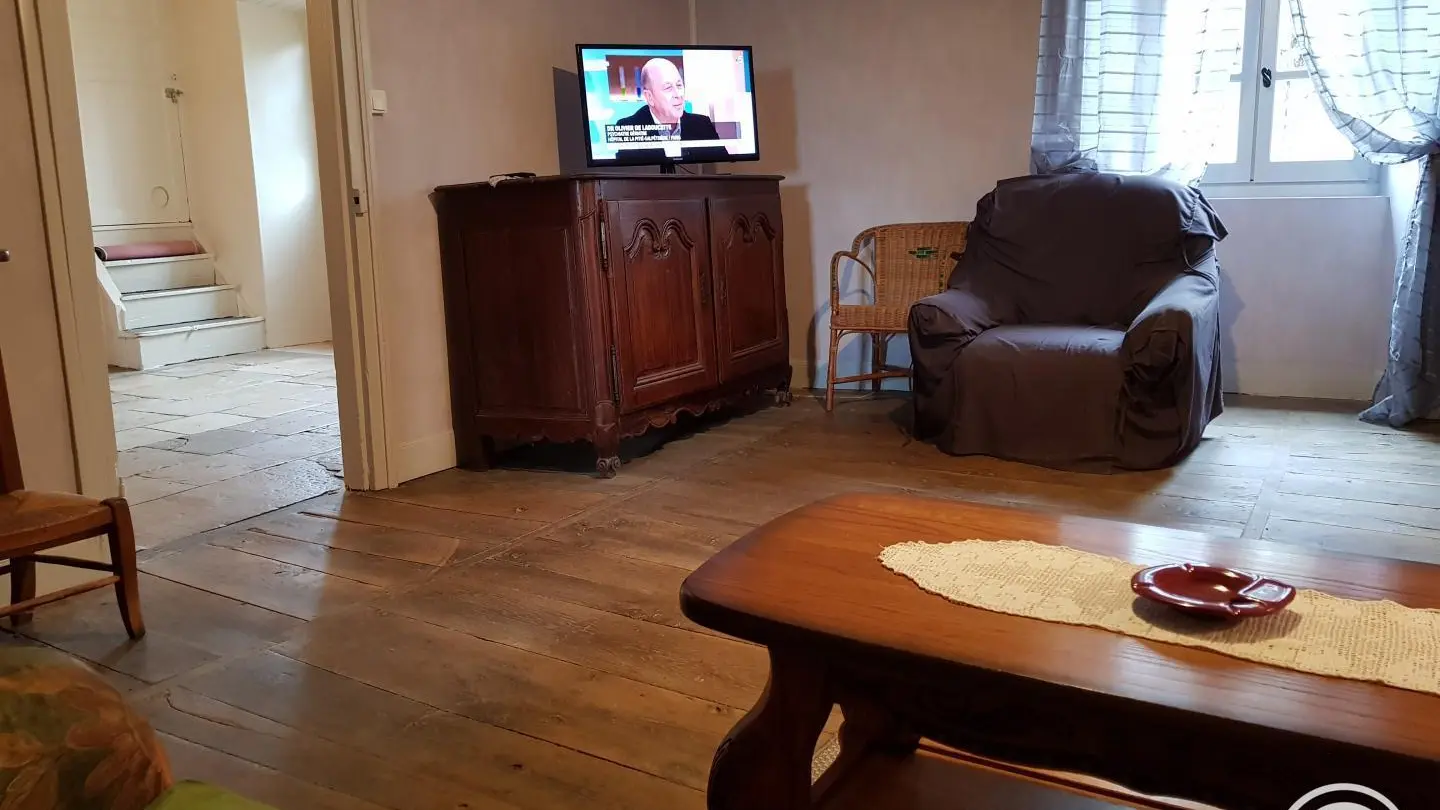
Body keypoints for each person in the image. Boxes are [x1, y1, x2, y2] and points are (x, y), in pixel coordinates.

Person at [616, 58, 720, 142]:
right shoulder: (627, 128)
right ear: (649, 97)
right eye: (668, 88)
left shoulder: (703, 124)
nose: (678, 94)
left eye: (679, 85)